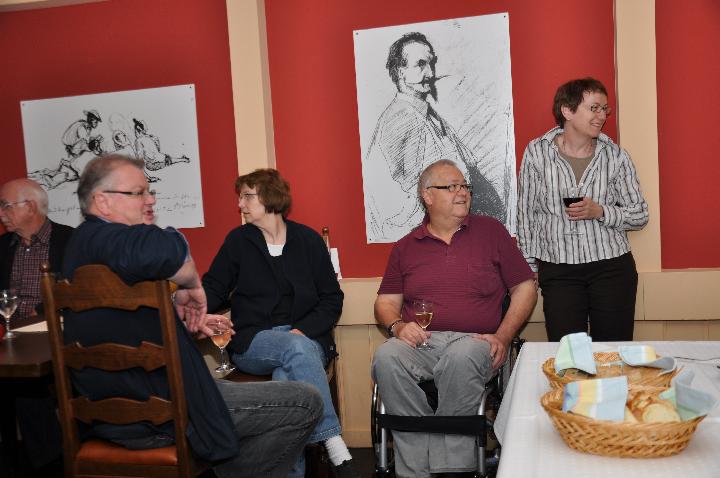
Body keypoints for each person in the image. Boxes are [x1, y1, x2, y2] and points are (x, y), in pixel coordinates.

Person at [63, 155, 323, 478]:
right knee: (306, 402)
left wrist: (182, 322)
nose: (150, 200)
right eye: (139, 192)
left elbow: (123, 326)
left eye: (149, 191)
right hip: (163, 412)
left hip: (126, 409)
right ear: (102, 201)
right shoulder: (105, 238)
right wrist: (190, 281)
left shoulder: (86, 249)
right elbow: (166, 248)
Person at [371, 159, 537, 477]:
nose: (462, 192)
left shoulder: (491, 232)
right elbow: (386, 302)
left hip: (476, 342)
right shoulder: (406, 247)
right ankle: (416, 467)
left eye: (464, 186)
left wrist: (503, 336)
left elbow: (526, 287)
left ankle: (453, 469)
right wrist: (398, 326)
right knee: (386, 356)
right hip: (423, 341)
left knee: (460, 357)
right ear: (427, 196)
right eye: (451, 186)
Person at [202, 168, 360, 478]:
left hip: (307, 340)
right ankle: (333, 440)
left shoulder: (308, 240)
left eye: (247, 196)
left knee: (286, 377)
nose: (240, 204)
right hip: (254, 342)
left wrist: (302, 332)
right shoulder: (238, 241)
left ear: (269, 197)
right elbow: (213, 288)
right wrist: (188, 307)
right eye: (240, 197)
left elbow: (331, 299)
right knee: (295, 348)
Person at [517, 78, 649, 342]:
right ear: (567, 110)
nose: (602, 116)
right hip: (558, 269)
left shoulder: (616, 156)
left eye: (604, 109)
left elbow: (640, 215)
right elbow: (526, 215)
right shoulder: (537, 153)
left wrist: (600, 212)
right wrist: (528, 268)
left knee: (612, 352)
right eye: (594, 108)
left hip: (612, 268)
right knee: (568, 353)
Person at [364, 32, 504, 241]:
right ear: (400, 71)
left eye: (431, 63)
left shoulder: (425, 113)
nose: (430, 72)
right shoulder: (401, 117)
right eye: (421, 64)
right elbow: (414, 196)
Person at [0, 178, 72, 472]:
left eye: (6, 206)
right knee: (21, 383)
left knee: (29, 388)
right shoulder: (4, 247)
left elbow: (77, 289)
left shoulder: (70, 240)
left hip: (59, 335)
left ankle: (51, 463)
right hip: (15, 340)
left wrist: (39, 312)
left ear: (30, 207)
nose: (1, 214)